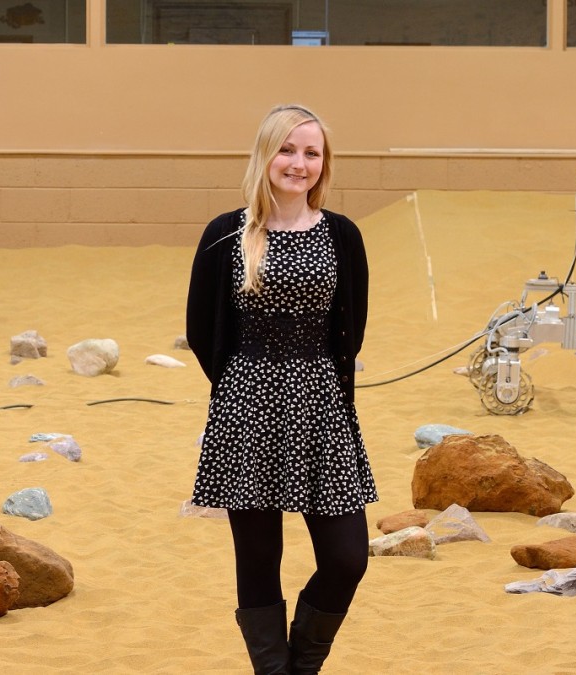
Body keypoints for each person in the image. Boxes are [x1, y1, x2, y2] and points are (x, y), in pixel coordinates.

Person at [186, 104, 376, 674]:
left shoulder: (342, 235)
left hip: (322, 404)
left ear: (325, 162)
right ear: (265, 156)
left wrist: (311, 380)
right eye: (287, 150)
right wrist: (243, 389)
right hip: (247, 405)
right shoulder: (227, 233)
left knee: (347, 557)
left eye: (311, 152)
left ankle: (301, 667)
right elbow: (201, 328)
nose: (299, 163)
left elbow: (352, 327)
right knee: (259, 558)